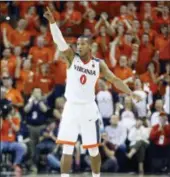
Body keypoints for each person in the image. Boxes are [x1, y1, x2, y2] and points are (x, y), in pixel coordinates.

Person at [44, 7, 141, 177]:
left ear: (90, 46)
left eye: (82, 44)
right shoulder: (71, 58)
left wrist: (131, 93)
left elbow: (115, 80)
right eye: (78, 44)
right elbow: (59, 41)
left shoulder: (98, 64)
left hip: (89, 108)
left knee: (93, 149)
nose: (79, 46)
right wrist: (52, 22)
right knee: (67, 147)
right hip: (71, 107)